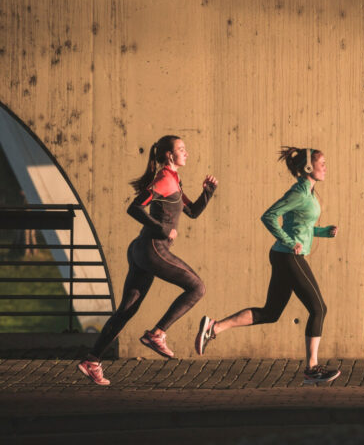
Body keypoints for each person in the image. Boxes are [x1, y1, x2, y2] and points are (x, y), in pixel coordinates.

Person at [77, 135, 218, 385]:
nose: (187, 153)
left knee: (127, 310)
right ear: (168, 155)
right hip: (153, 248)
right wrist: (162, 230)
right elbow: (134, 208)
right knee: (197, 287)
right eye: (181, 149)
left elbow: (192, 212)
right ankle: (157, 334)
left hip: (142, 250)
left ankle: (92, 360)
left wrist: (207, 193)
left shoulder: (173, 179)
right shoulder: (164, 179)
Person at [195, 147, 340, 385]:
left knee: (271, 313)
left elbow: (300, 226)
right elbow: (269, 216)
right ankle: (312, 369)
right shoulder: (299, 193)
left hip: (285, 255)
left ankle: (214, 327)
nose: (325, 167)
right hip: (288, 256)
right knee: (319, 308)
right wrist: (288, 241)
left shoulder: (310, 193)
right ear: (307, 168)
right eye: (321, 163)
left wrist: (324, 232)